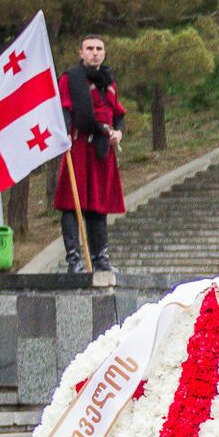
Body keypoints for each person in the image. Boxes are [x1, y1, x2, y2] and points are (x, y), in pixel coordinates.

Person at [55, 34, 126, 272]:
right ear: (81, 53)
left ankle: (100, 259)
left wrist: (119, 132)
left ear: (104, 53)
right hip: (78, 146)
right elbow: (63, 108)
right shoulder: (70, 79)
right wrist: (64, 132)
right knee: (71, 204)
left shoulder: (109, 81)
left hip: (102, 151)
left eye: (99, 49)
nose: (94, 52)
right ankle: (74, 260)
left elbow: (118, 114)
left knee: (99, 204)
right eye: (90, 48)